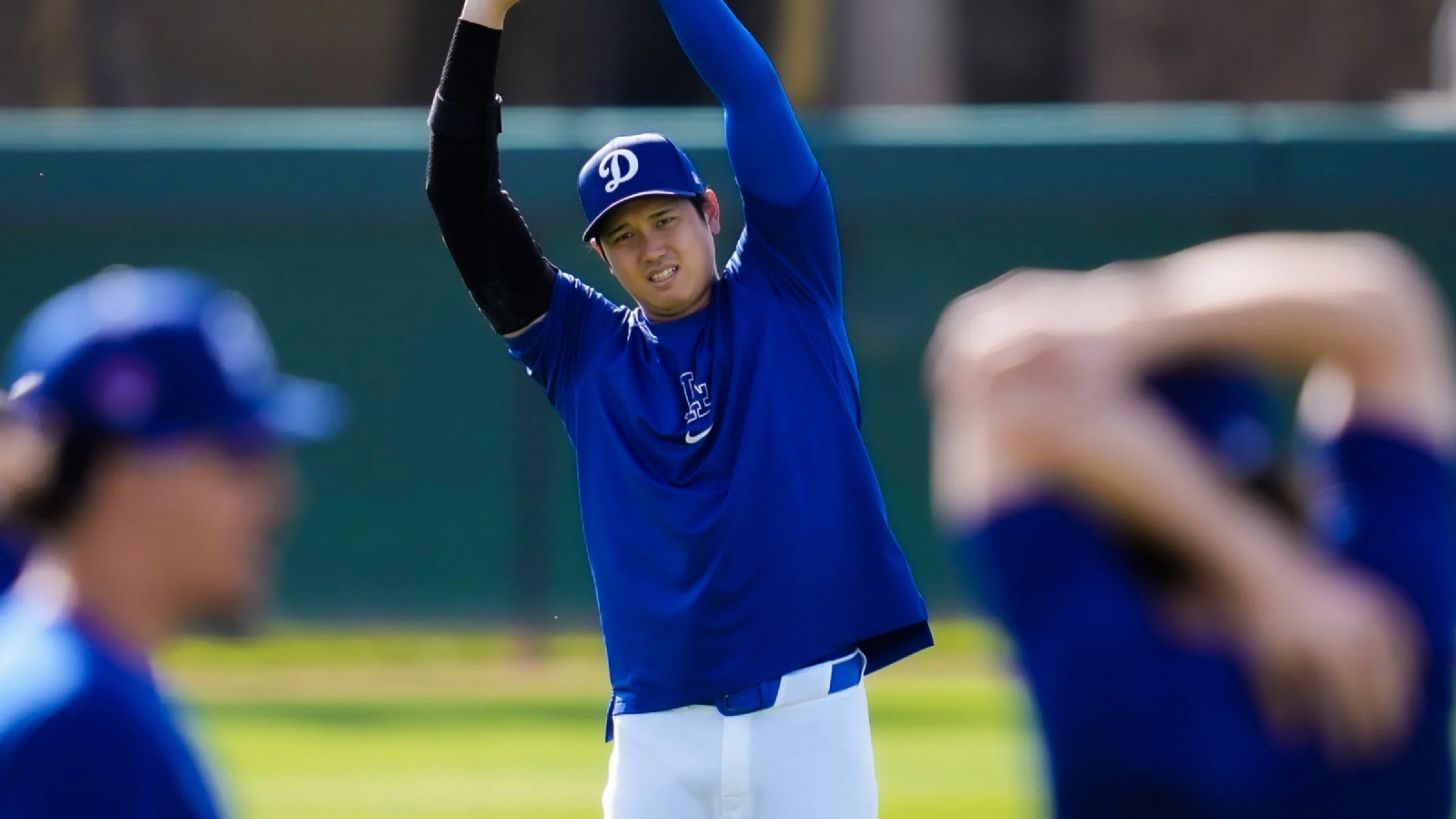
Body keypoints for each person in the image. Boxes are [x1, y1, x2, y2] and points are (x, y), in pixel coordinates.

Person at [425, 0, 931, 815]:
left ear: (710, 211)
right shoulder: (580, 351)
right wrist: (483, 12)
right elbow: (460, 197)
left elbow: (751, 90)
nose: (652, 245)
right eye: (624, 234)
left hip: (809, 722)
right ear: (602, 255)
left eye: (665, 217)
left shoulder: (788, 281)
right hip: (657, 742)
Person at [926, 233, 1455, 818]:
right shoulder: (1382, 622)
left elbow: (999, 383)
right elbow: (1386, 301)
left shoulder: (1104, 674)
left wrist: (1270, 578)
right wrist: (1133, 320)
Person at [0, 267, 343, 818]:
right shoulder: (80, 722)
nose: (277, 497)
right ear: (123, 476)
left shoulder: (72, 678)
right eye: (238, 455)